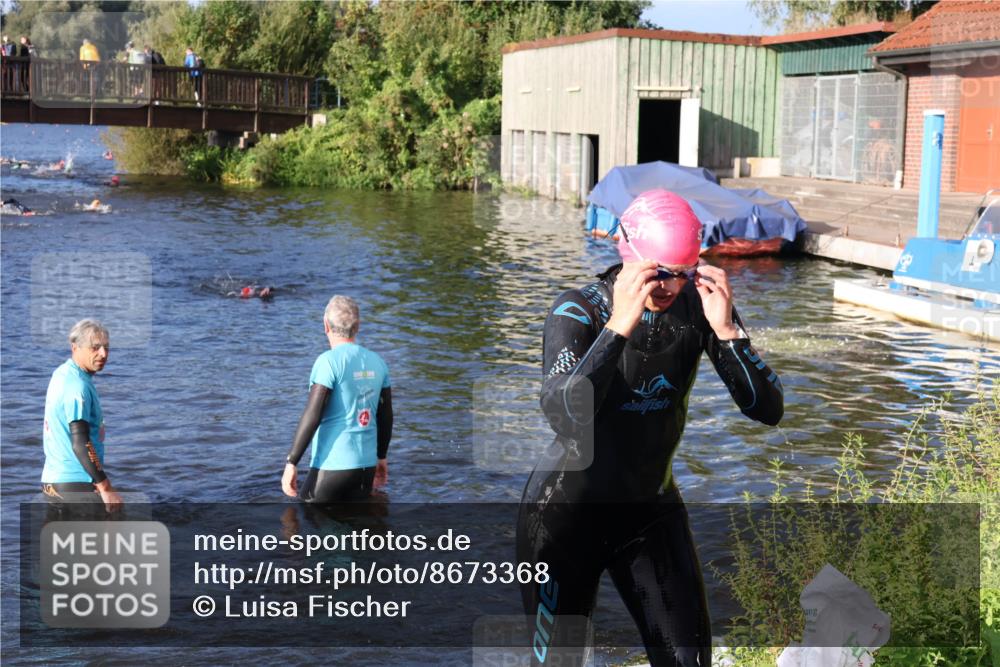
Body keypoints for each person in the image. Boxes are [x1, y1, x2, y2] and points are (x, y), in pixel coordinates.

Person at [516, 189, 784, 666]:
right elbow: (562, 415)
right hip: (564, 518)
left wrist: (728, 333)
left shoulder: (699, 308)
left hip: (649, 513)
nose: (668, 287)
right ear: (629, 255)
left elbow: (768, 409)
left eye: (682, 273)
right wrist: (618, 326)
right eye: (658, 272)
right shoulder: (577, 311)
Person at [282, 296, 393, 503]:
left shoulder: (327, 362)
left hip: (332, 467)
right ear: (357, 326)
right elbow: (385, 416)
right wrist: (381, 457)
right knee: (355, 520)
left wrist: (292, 462)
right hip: (366, 468)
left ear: (326, 325)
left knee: (302, 517)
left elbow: (313, 414)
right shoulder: (378, 362)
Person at [41, 319, 123, 514]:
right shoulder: (77, 387)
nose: (103, 354)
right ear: (75, 347)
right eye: (95, 347)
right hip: (76, 484)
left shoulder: (62, 374)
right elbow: (80, 442)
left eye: (106, 347)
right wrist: (105, 487)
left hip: (52, 483)